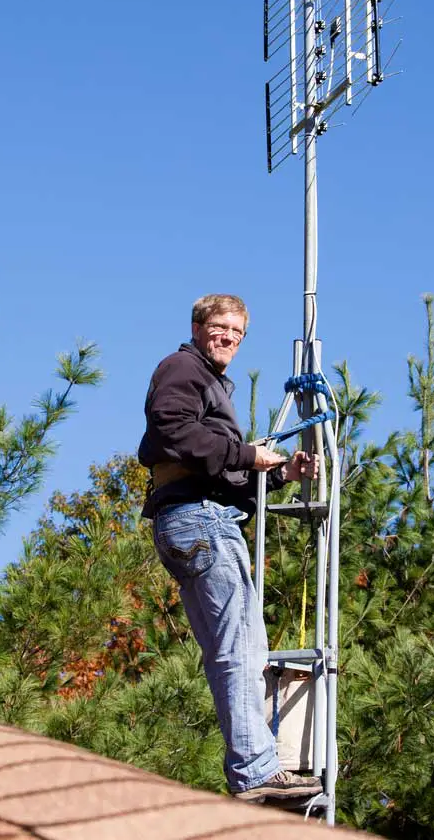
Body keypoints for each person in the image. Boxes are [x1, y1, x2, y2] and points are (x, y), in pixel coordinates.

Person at [138, 294, 322, 803]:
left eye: (237, 334)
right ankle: (256, 770)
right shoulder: (182, 368)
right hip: (200, 520)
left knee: (239, 649)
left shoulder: (211, 383)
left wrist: (278, 471)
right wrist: (248, 453)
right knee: (240, 649)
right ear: (197, 327)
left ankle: (253, 766)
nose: (228, 339)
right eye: (220, 328)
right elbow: (172, 429)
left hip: (198, 516)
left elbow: (218, 470)